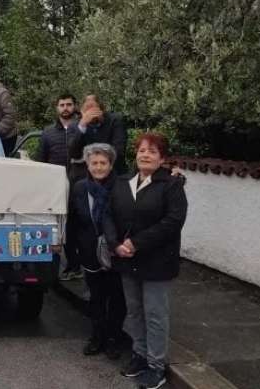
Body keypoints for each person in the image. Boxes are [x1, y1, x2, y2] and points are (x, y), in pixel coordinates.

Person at [103, 132, 188, 389]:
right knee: (135, 311)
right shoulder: (122, 181)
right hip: (126, 259)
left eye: (152, 151)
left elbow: (173, 222)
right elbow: (108, 214)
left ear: (162, 158)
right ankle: (139, 355)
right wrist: (115, 243)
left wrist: (136, 243)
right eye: (142, 150)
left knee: (155, 315)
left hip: (157, 262)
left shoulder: (172, 185)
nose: (145, 154)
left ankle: (156, 366)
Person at [66, 143, 126, 360]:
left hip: (116, 252)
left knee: (117, 299)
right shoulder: (80, 187)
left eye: (103, 163)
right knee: (96, 298)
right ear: (88, 165)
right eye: (94, 163)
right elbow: (73, 221)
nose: (99, 167)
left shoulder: (123, 186)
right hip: (89, 251)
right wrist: (70, 251)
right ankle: (97, 337)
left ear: (111, 165)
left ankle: (113, 339)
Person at [36, 93, 83, 281]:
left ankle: (75, 266)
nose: (65, 108)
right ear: (57, 108)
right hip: (55, 187)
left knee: (75, 228)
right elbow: (41, 160)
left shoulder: (82, 128)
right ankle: (54, 270)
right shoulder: (48, 132)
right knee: (56, 228)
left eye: (69, 104)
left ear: (75, 106)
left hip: (79, 184)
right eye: (62, 105)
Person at [68, 94, 127, 180]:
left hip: (112, 174)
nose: (90, 111)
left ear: (101, 109)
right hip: (84, 177)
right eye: (87, 108)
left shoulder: (114, 121)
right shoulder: (75, 126)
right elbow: (73, 153)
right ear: (81, 111)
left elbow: (119, 151)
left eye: (93, 107)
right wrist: (82, 125)